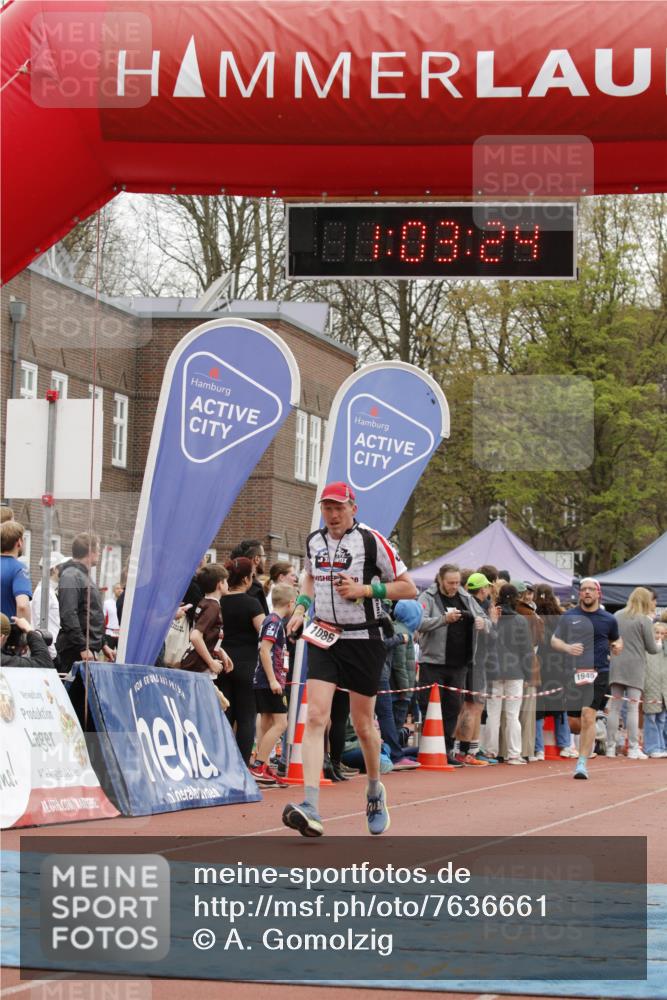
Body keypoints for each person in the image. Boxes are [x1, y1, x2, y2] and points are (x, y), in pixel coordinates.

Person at [282, 481, 417, 838]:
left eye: (339, 507)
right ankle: (310, 805)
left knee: (363, 726)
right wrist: (300, 608)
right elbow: (310, 578)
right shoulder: (314, 541)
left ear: (353, 509)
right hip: (324, 636)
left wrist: (365, 590)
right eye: (327, 507)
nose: (333, 514)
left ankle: (374, 789)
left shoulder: (372, 541)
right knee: (315, 716)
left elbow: (409, 588)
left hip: (364, 637)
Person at [417, 564, 489, 768]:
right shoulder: (427, 597)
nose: (454, 587)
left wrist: (483, 623)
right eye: (450, 583)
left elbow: (485, 619)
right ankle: (430, 747)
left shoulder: (465, 597)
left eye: (458, 583)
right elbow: (419, 623)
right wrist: (443, 620)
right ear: (440, 580)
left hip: (460, 664)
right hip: (433, 663)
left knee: (453, 707)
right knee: (430, 707)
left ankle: (448, 749)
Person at [551, 578, 623, 779]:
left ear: (598, 593)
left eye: (591, 589)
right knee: (575, 723)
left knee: (587, 715)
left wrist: (617, 646)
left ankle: (581, 763)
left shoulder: (609, 619)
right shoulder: (569, 616)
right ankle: (592, 728)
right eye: (584, 589)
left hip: (598, 671)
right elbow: (554, 640)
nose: (587, 592)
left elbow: (616, 639)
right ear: (580, 593)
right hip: (572, 672)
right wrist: (567, 647)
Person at [219, 556, 265, 764]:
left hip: (222, 662)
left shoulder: (219, 602)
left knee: (225, 714)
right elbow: (265, 633)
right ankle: (242, 766)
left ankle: (224, 761)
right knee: (247, 717)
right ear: (247, 579)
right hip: (247, 663)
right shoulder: (252, 604)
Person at [250, 583, 297, 786]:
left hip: (269, 679)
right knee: (281, 723)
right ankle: (258, 764)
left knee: (267, 722)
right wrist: (272, 680)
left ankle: (263, 765)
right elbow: (264, 650)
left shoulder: (274, 621)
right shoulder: (274, 622)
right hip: (270, 680)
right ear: (291, 603)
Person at [483, 584, 534, 765]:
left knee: (493, 715)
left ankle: (490, 752)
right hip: (515, 671)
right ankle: (514, 754)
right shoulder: (520, 620)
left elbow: (486, 642)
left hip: (493, 671)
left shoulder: (492, 617)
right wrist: (528, 675)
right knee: (513, 715)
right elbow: (526, 650)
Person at [606, 587, 658, 760]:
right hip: (635, 667)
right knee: (633, 708)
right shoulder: (645, 620)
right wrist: (659, 643)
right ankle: (633, 747)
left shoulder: (617, 615)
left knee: (615, 707)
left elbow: (609, 639)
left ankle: (610, 747)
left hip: (617, 663)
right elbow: (651, 648)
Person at [451, 572, 497, 766]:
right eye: (487, 587)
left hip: (470, 661)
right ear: (483, 589)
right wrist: (491, 623)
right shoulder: (478, 607)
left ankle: (468, 750)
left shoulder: (467, 604)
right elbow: (491, 634)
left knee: (471, 707)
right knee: (473, 707)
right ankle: (463, 751)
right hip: (475, 662)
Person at [56, 533, 116, 672]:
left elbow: (89, 614)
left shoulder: (82, 575)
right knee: (74, 693)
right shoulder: (71, 576)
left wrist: (103, 645)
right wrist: (82, 647)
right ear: (91, 551)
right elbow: (68, 614)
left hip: (84, 650)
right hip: (74, 653)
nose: (100, 552)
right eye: (98, 548)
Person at [534, 584, 573, 759]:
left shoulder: (533, 617)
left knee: (537, 708)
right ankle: (564, 745)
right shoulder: (561, 618)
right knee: (560, 707)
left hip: (538, 666)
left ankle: (539, 748)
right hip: (557, 666)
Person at [513, 581, 544, 761]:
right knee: (526, 712)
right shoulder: (529, 615)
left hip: (508, 666)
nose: (529, 595)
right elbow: (538, 638)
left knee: (509, 713)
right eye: (527, 592)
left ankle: (509, 750)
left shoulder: (502, 610)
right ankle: (525, 750)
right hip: (528, 664)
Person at [1, 521, 32, 642]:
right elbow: (23, 605)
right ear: (19, 542)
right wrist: (25, 635)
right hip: (7, 636)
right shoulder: (19, 568)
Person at [643, 622, 667, 758]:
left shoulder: (665, 650)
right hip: (650, 687)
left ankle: (661, 746)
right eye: (656, 633)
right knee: (650, 718)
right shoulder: (647, 650)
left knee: (662, 719)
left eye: (662, 633)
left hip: (663, 689)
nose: (659, 636)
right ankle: (652, 747)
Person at [230, 540, 269, 615]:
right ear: (257, 559)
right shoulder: (255, 588)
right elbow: (263, 622)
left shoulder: (227, 584)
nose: (265, 560)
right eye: (264, 556)